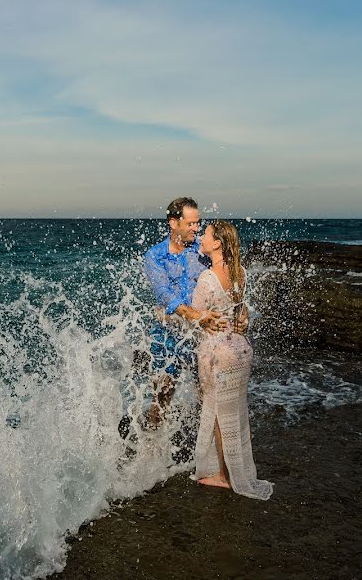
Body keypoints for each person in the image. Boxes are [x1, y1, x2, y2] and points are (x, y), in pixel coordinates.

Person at [141, 197, 243, 428]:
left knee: (206, 394)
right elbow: (164, 294)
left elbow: (228, 278)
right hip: (169, 334)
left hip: (202, 335)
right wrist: (196, 315)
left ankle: (204, 448)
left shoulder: (202, 248)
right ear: (173, 223)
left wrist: (240, 312)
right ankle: (152, 449)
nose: (196, 229)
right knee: (162, 396)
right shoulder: (155, 256)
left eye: (198, 224)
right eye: (190, 224)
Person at [191, 220, 272, 500]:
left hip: (218, 354)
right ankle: (236, 471)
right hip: (241, 349)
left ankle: (225, 477)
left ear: (217, 244)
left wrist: (167, 313)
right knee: (236, 414)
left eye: (206, 234)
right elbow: (238, 311)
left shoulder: (207, 278)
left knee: (217, 417)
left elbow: (196, 317)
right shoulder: (241, 273)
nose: (201, 236)